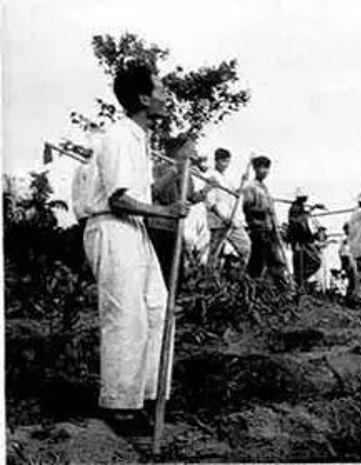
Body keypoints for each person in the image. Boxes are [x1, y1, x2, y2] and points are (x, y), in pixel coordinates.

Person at [81, 61, 189, 436]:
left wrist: (175, 173)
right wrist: (167, 212)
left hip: (134, 228)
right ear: (143, 98)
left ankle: (148, 397)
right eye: (160, 90)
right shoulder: (118, 137)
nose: (165, 96)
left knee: (158, 309)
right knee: (126, 316)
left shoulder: (140, 139)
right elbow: (119, 198)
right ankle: (118, 404)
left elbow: (142, 193)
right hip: (112, 226)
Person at [147, 135, 212, 286]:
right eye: (190, 148)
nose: (193, 152)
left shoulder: (187, 172)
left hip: (175, 227)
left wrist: (206, 190)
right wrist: (175, 171)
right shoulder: (160, 167)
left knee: (175, 273)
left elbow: (189, 197)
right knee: (158, 272)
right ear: (180, 150)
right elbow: (155, 193)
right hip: (158, 225)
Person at [242, 155, 288, 289]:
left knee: (274, 259)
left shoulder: (264, 187)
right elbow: (247, 208)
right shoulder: (250, 187)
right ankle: (251, 285)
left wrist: (274, 223)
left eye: (267, 169)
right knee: (259, 259)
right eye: (262, 168)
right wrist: (264, 212)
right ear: (256, 169)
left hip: (269, 228)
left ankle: (279, 287)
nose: (265, 171)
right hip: (258, 228)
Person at [205, 148, 251, 269]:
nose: (226, 165)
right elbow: (210, 202)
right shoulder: (211, 176)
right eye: (223, 161)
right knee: (215, 254)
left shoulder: (225, 178)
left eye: (227, 162)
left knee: (246, 247)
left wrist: (243, 181)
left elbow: (235, 192)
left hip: (232, 221)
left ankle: (237, 273)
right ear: (217, 161)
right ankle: (210, 276)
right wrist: (222, 217)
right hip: (219, 222)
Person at [287, 187, 325, 290]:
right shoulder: (295, 209)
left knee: (303, 263)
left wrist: (314, 208)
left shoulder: (298, 208)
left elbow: (303, 216)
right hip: (301, 241)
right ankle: (300, 279)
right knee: (315, 262)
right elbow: (297, 224)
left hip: (302, 241)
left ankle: (300, 282)